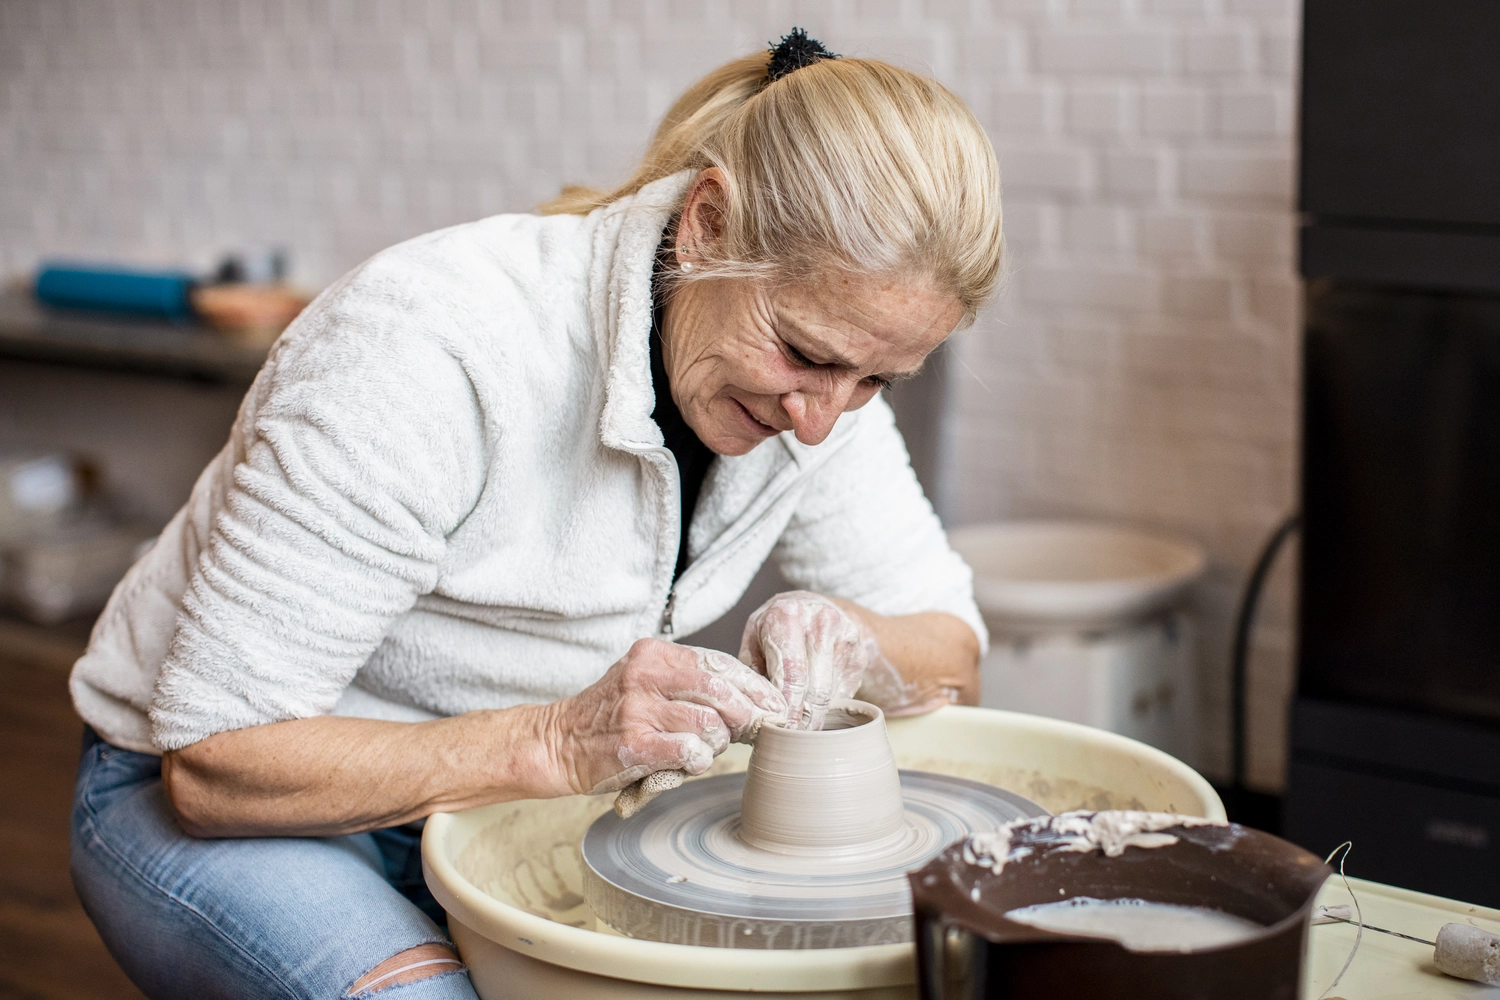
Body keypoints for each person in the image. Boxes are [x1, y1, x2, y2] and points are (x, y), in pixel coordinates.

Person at [67, 30, 1004, 1000]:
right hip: (232, 800)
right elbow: (217, 764)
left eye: (877, 380)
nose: (820, 422)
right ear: (709, 225)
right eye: (804, 355)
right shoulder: (428, 348)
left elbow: (953, 656)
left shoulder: (827, 390)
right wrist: (556, 742)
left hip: (491, 806)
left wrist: (857, 639)